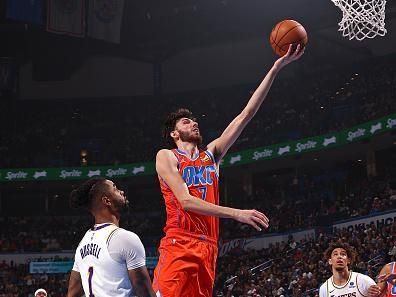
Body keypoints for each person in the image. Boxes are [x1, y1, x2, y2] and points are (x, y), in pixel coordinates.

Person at [152, 44, 305, 297]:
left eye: (194, 119)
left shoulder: (211, 155)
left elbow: (247, 113)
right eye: (186, 121)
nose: (194, 122)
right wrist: (237, 213)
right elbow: (186, 201)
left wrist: (276, 68)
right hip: (179, 242)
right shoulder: (167, 156)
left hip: (209, 247)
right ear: (174, 133)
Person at [66, 177, 156, 297]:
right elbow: (144, 291)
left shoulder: (83, 242)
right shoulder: (125, 238)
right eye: (115, 188)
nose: (122, 191)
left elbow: (73, 293)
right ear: (107, 201)